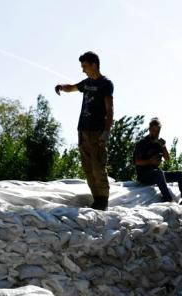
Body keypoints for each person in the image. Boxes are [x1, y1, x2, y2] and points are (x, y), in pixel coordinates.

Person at [54, 51, 114, 210]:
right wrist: (61, 86)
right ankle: (96, 199)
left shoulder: (105, 84)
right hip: (82, 131)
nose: (83, 70)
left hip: (97, 132)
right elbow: (72, 87)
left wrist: (106, 133)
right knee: (88, 169)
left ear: (94, 65)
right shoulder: (86, 83)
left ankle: (103, 201)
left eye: (85, 66)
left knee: (98, 167)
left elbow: (110, 110)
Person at [133, 117, 182, 204]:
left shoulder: (159, 143)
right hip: (144, 175)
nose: (155, 133)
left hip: (157, 174)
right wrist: (150, 161)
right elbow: (136, 162)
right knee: (159, 172)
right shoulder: (142, 143)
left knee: (180, 174)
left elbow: (167, 159)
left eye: (157, 131)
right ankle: (168, 199)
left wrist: (163, 146)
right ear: (149, 129)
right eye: (153, 131)